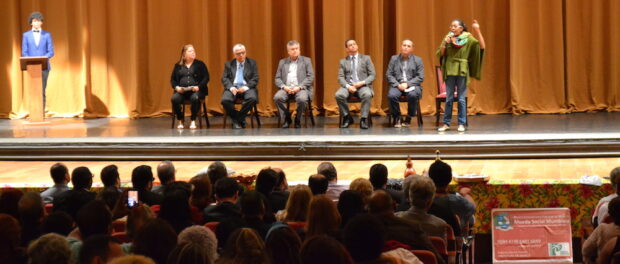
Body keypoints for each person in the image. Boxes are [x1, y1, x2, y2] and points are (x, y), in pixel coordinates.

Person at [437, 19, 485, 132]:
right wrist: (445, 43)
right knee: (449, 99)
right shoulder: (448, 37)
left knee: (461, 99)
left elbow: (482, 47)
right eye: (451, 26)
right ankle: (446, 124)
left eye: (455, 26)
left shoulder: (468, 38)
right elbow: (441, 53)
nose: (452, 28)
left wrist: (477, 30)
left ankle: (461, 124)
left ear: (461, 28)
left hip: (462, 70)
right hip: (449, 70)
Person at [335, 39, 376, 129]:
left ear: (357, 46)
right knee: (339, 95)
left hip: (362, 85)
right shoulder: (343, 61)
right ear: (347, 49)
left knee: (367, 94)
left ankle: (363, 119)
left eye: (354, 44)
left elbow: (373, 75)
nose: (353, 46)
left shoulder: (366, 58)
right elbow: (340, 77)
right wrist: (348, 86)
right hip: (348, 86)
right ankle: (347, 117)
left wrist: (362, 83)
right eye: (350, 45)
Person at [274, 40, 315, 128]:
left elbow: (310, 77)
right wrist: (285, 87)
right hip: (286, 88)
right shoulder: (282, 62)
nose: (295, 50)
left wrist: (299, 87)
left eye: (297, 48)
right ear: (288, 51)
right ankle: (287, 117)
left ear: (299, 50)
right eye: (292, 49)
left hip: (301, 88)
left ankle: (298, 119)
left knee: (302, 99)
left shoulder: (306, 61)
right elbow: (277, 78)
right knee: (277, 97)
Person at [170, 44, 210, 129]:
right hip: (182, 91)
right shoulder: (178, 66)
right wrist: (177, 88)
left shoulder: (200, 64)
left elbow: (206, 77)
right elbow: (173, 80)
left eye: (194, 51)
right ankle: (180, 119)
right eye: (190, 51)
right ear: (184, 54)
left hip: (196, 91)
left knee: (194, 98)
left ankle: (193, 120)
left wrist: (198, 87)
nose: (193, 52)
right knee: (174, 99)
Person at [386, 39, 424, 128]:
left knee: (413, 95)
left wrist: (407, 84)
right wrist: (398, 85)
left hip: (412, 85)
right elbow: (389, 74)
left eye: (408, 46)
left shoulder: (418, 60)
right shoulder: (394, 58)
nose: (406, 47)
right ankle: (397, 116)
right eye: (404, 45)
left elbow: (420, 77)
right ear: (401, 47)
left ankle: (409, 117)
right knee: (391, 95)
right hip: (397, 85)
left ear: (412, 49)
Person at [221, 44, 259, 129]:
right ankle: (240, 119)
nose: (241, 55)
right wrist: (231, 87)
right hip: (233, 87)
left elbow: (255, 78)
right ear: (234, 55)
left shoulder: (252, 63)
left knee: (252, 98)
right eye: (238, 53)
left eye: (243, 53)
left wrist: (245, 87)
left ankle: (237, 120)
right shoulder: (229, 64)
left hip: (247, 87)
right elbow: (224, 78)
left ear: (245, 53)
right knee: (225, 100)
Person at [21, 11, 55, 109]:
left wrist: (43, 58)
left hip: (44, 67)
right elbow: (24, 51)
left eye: (39, 21)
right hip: (31, 66)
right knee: (33, 90)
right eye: (35, 21)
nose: (37, 23)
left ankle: (41, 114)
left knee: (42, 90)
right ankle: (34, 113)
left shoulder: (47, 35)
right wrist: (29, 60)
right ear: (31, 22)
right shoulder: (26, 35)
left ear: (41, 22)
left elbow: (51, 51)